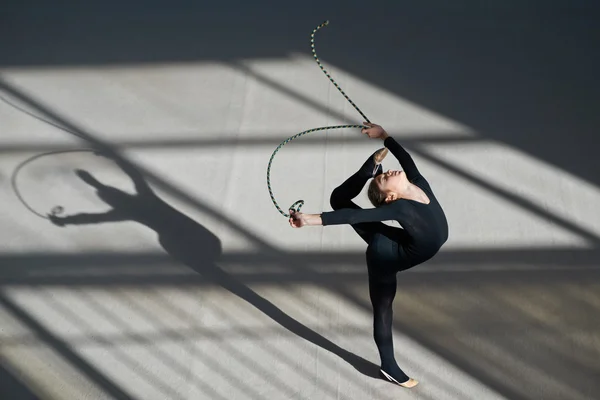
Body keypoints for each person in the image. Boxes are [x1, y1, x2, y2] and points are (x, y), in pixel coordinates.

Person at [288, 122, 449, 388]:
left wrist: (384, 135)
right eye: (384, 178)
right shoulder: (401, 210)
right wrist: (308, 220)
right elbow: (354, 215)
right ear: (391, 197)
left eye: (383, 175)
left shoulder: (419, 184)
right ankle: (389, 366)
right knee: (384, 309)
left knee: (338, 199)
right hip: (384, 255)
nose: (391, 173)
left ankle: (367, 172)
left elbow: (405, 158)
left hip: (395, 241)